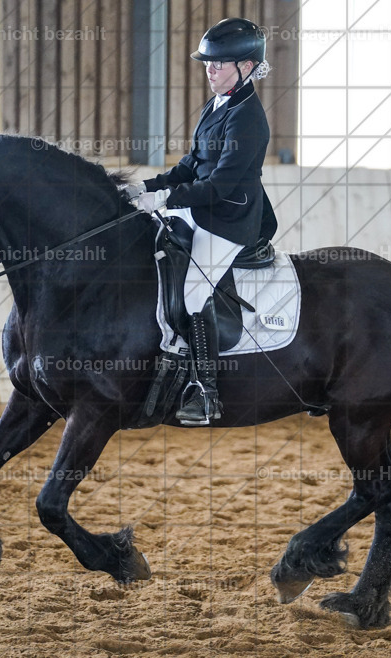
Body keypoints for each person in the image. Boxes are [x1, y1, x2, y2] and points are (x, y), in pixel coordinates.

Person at [125, 17, 275, 426]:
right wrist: (146, 185)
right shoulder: (219, 104)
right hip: (200, 207)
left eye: (219, 63)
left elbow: (220, 184)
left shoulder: (248, 118)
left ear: (246, 67)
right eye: (207, 63)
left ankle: (205, 392)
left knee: (193, 292)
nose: (210, 69)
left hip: (229, 218)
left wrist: (167, 197)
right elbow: (192, 164)